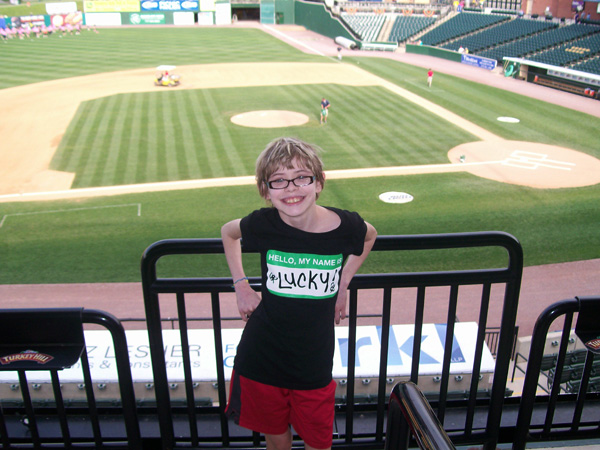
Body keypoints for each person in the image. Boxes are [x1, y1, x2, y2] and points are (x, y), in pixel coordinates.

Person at [221, 137, 377, 450]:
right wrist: (241, 285)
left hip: (313, 364)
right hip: (262, 357)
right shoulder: (263, 224)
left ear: (319, 183)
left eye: (302, 177)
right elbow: (228, 232)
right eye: (278, 181)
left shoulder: (345, 225)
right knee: (277, 443)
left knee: (318, 444)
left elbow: (370, 237)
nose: (291, 189)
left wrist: (343, 283)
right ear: (266, 191)